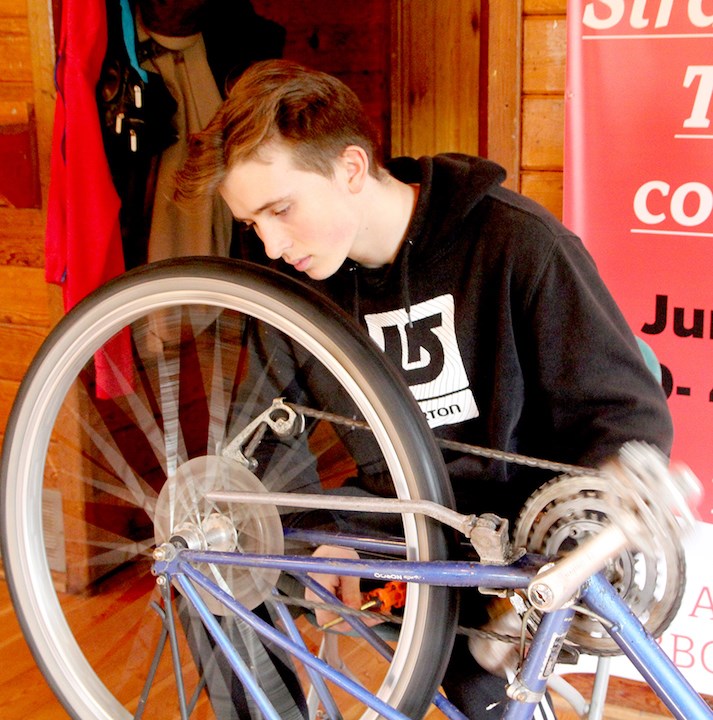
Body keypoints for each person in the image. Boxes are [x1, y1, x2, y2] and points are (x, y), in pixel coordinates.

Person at [176, 58, 673, 718]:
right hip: (399, 524)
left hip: (512, 542)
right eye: (251, 223)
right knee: (205, 555)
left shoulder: (515, 242)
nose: (268, 244)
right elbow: (256, 448)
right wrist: (305, 532)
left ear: (350, 169)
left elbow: (621, 412)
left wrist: (588, 526)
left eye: (280, 210)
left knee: (486, 698)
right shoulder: (298, 290)